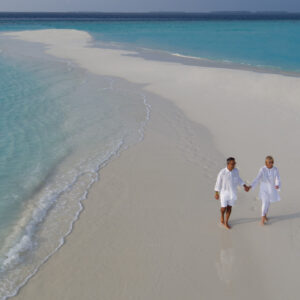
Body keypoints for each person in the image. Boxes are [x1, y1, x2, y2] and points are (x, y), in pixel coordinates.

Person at [215, 157, 249, 229]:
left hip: (233, 192)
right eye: (232, 164)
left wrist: (244, 185)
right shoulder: (222, 172)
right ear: (228, 164)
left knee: (229, 207)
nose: (234, 165)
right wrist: (216, 193)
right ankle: (222, 216)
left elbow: (238, 179)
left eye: (234, 163)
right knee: (223, 208)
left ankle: (226, 222)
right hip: (224, 193)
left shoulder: (236, 171)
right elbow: (218, 182)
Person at [249, 156, 281, 225]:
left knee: (268, 203)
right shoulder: (262, 169)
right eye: (270, 162)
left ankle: (265, 215)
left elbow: (277, 178)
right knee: (264, 202)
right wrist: (251, 186)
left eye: (272, 162)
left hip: (271, 189)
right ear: (266, 163)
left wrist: (277, 184)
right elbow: (257, 178)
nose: (271, 163)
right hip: (264, 189)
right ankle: (263, 217)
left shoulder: (275, 169)